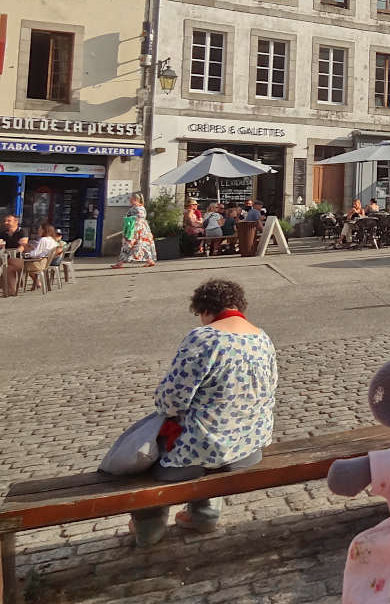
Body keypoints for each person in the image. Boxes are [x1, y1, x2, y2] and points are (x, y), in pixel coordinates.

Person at [128, 279, 277, 547]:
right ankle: (203, 514)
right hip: (249, 447)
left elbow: (170, 400)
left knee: (146, 454)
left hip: (203, 451)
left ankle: (149, 526)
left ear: (205, 310)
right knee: (207, 436)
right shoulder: (261, 337)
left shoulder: (204, 338)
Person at [113, 193, 157, 268]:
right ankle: (150, 261)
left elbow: (137, 218)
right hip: (143, 230)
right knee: (143, 245)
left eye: (131, 198)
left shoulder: (136, 208)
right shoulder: (141, 207)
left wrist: (129, 219)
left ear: (135, 199)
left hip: (134, 229)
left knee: (127, 245)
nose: (129, 200)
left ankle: (120, 263)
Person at [19, 222, 59, 290]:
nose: (38, 231)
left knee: (20, 265)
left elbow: (35, 254)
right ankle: (37, 283)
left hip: (40, 263)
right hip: (46, 261)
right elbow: (41, 251)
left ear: (44, 230)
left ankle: (18, 286)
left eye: (40, 229)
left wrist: (26, 253)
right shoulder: (51, 240)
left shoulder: (43, 239)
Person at [2, 214, 29, 297]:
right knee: (4, 264)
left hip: (19, 258)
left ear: (16, 221)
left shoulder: (22, 231)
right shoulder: (3, 233)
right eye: (5, 221)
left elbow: (23, 246)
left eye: (9, 221)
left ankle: (11, 291)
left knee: (8, 267)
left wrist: (15, 252)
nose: (6, 223)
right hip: (6, 257)